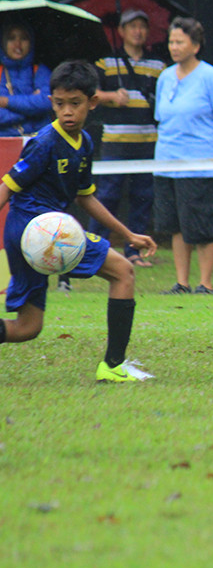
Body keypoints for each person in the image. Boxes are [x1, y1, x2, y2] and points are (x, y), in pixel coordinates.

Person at [0, 60, 157, 382]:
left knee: (28, 328)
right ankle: (113, 366)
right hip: (39, 230)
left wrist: (128, 234)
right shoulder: (43, 143)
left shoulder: (84, 144)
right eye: (60, 104)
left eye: (75, 104)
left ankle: (113, 366)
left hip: (38, 230)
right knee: (124, 272)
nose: (67, 112)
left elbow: (86, 197)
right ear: (51, 102)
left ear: (92, 102)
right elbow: (7, 186)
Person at [154, 17, 213, 295]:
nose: (174, 47)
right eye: (171, 41)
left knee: (202, 224)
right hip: (167, 162)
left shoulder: (211, 77)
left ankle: (205, 282)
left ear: (196, 45)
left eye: (180, 42)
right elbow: (161, 119)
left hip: (201, 165)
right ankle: (182, 282)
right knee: (177, 225)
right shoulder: (165, 77)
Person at [90, 9, 166, 267]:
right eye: (131, 26)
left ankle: (133, 250)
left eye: (142, 26)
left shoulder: (158, 65)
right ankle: (96, 250)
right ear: (121, 31)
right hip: (115, 142)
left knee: (143, 197)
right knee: (107, 196)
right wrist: (112, 97)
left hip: (147, 142)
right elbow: (90, 94)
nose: (138, 31)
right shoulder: (106, 63)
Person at [0, 22, 52, 137]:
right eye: (11, 38)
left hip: (38, 142)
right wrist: (33, 107)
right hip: (5, 144)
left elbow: (48, 101)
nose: (17, 44)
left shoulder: (39, 71)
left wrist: (6, 102)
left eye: (24, 38)